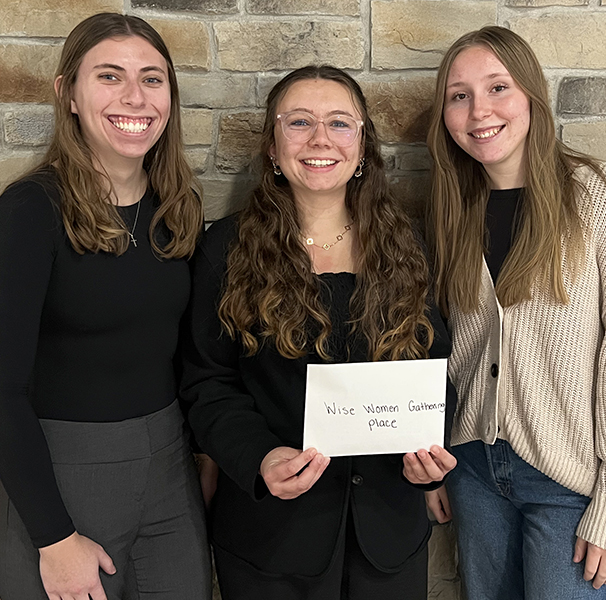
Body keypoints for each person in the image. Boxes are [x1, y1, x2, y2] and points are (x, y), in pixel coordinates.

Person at [423, 27, 606, 600]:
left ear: (532, 97)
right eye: (459, 95)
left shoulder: (605, 197)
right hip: (473, 472)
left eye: (498, 87)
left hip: (572, 485)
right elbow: (440, 351)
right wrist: (435, 459)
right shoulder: (449, 211)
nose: (480, 111)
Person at [181, 65, 458, 600]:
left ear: (362, 144)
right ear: (271, 145)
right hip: (273, 539)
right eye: (299, 122)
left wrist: (431, 455)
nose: (320, 139)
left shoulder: (407, 246)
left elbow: (436, 371)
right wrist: (259, 457)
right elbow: (207, 383)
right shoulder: (227, 248)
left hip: (389, 536)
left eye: (338, 123)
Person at [0, 13, 210, 600]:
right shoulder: (31, 210)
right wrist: (53, 540)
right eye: (109, 76)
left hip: (170, 474)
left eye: (153, 80)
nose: (136, 97)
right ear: (68, 94)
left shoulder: (176, 208)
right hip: (62, 481)